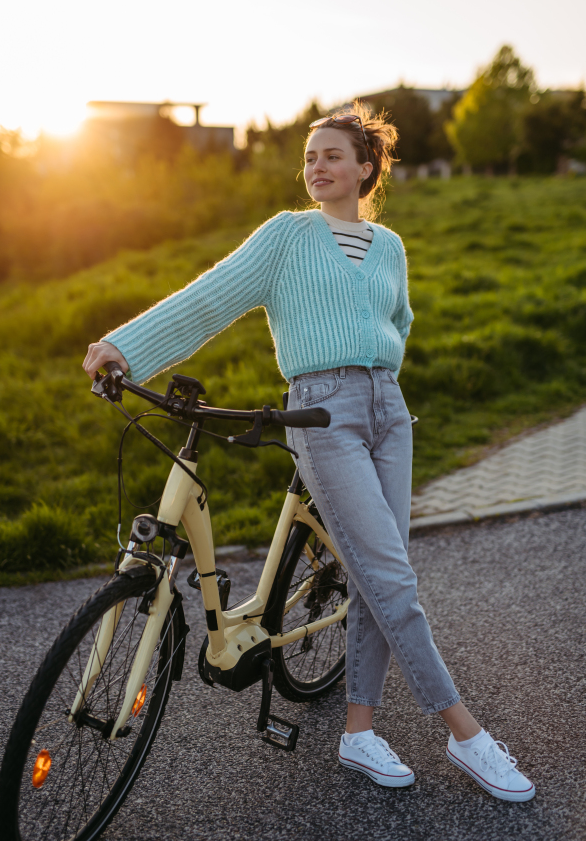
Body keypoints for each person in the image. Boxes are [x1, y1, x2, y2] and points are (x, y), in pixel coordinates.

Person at [83, 103, 535, 802]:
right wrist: (125, 345)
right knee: (393, 581)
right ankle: (466, 735)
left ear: (365, 169)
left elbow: (399, 321)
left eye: (332, 156)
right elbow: (209, 300)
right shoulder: (286, 237)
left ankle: (359, 732)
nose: (316, 166)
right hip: (322, 413)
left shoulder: (389, 246)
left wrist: (377, 375)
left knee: (378, 577)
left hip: (391, 410)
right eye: (310, 156)